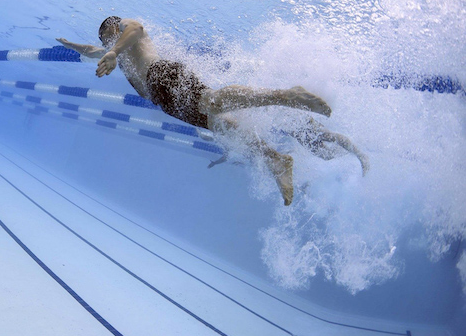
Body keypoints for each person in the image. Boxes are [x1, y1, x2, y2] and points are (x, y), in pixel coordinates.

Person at [56, 16, 368, 206]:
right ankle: (275, 159)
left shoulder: (125, 32)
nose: (106, 42)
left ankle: (288, 96)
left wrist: (112, 50)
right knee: (222, 126)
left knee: (214, 102)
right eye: (105, 41)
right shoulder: (115, 53)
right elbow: (93, 51)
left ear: (113, 27)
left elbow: (135, 29)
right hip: (165, 101)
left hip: (162, 74)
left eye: (107, 36)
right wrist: (73, 46)